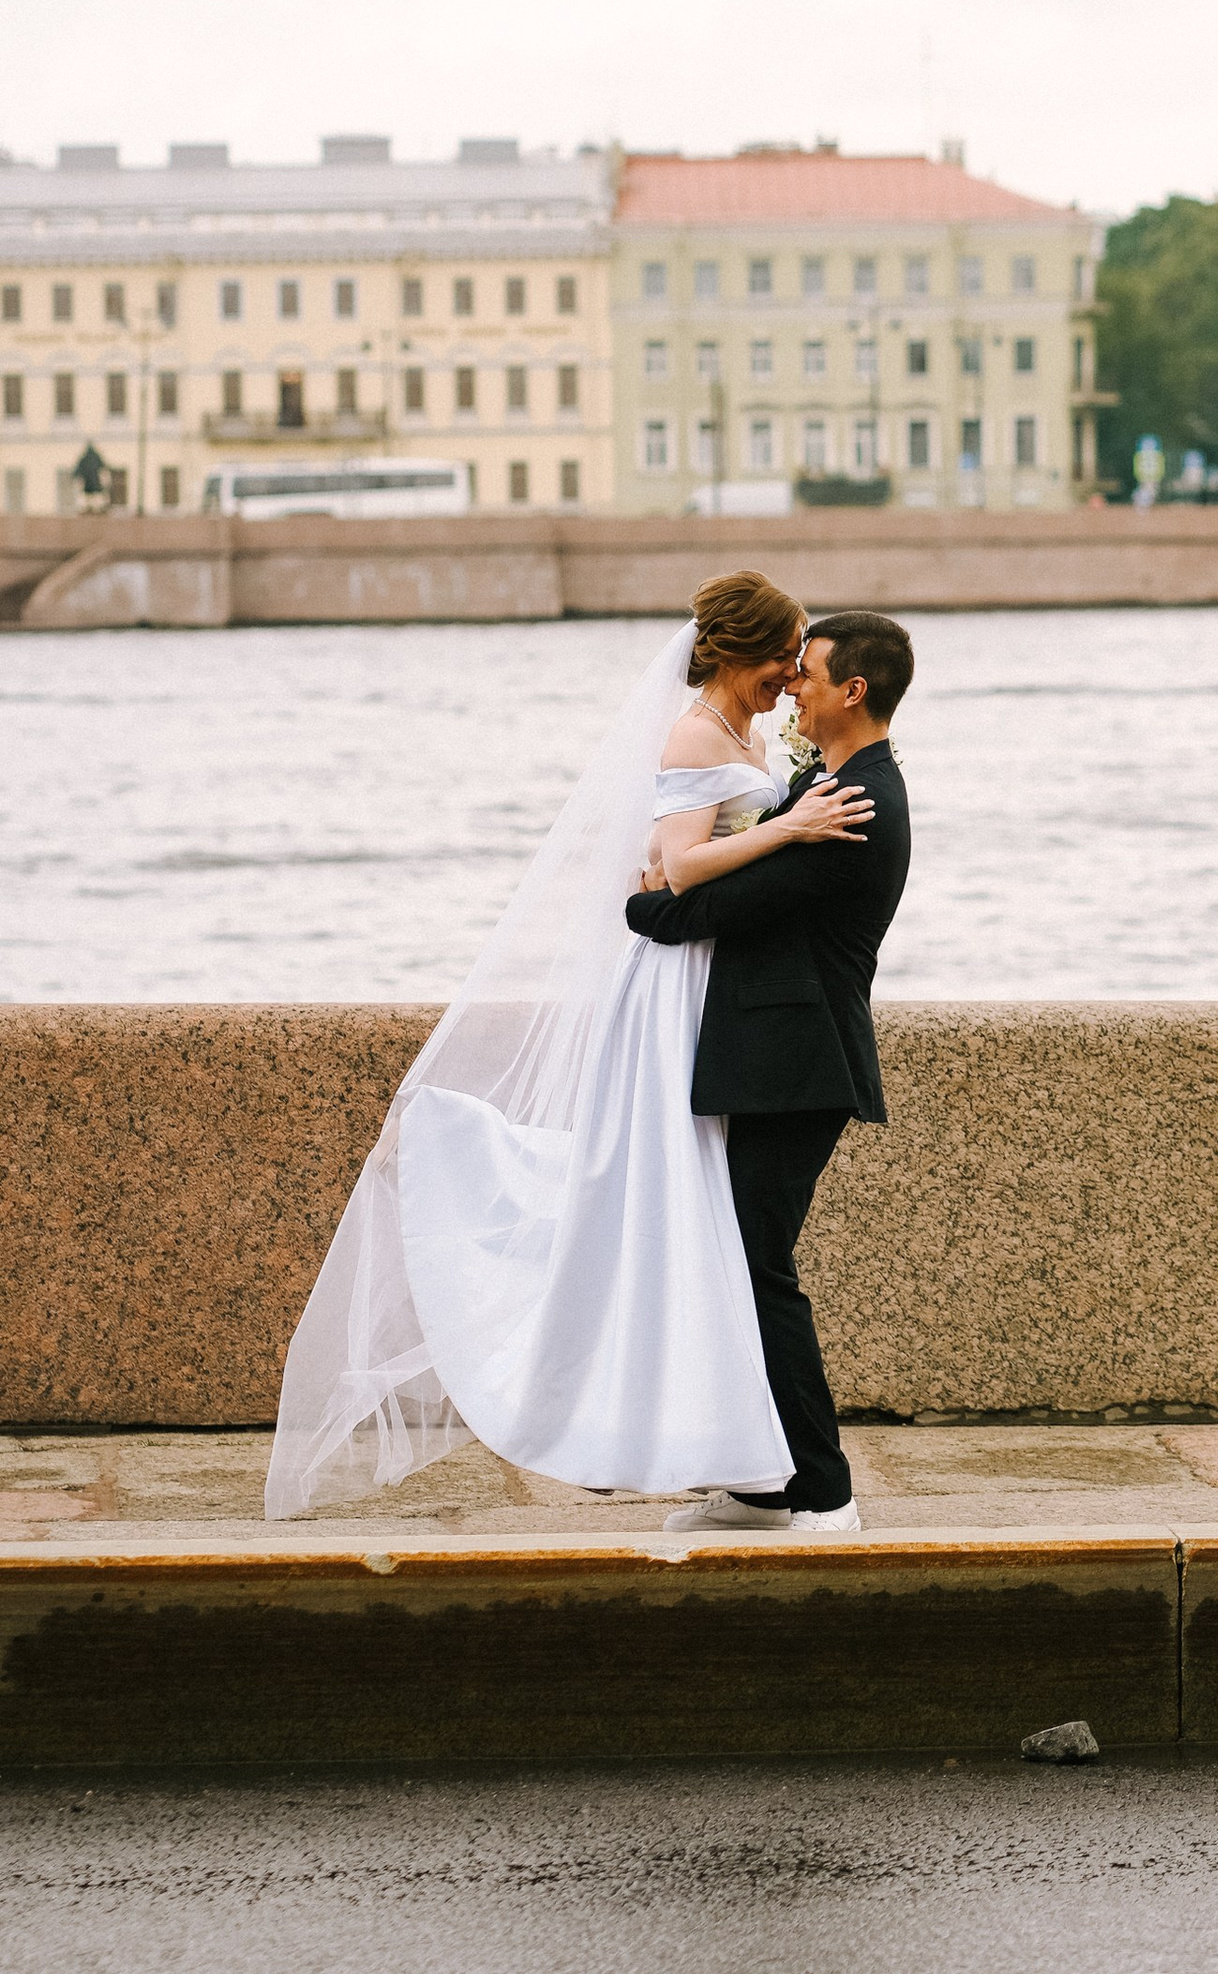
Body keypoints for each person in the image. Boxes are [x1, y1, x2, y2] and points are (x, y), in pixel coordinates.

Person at [263, 572, 872, 1525]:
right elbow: (677, 867)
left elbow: (684, 859)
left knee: (710, 1230)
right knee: (682, 1208)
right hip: (675, 991)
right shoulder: (694, 734)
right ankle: (746, 1464)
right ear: (740, 655)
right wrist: (791, 825)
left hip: (717, 984)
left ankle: (752, 1469)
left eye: (803, 662)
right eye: (785, 657)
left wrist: (773, 824)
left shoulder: (750, 736)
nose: (793, 677)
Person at [623, 607, 914, 1533]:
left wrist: (644, 906)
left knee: (758, 1266)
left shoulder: (857, 802)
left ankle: (822, 1492)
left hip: (801, 1061)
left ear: (852, 691)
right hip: (775, 1057)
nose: (796, 683)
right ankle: (762, 1483)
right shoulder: (823, 784)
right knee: (740, 1261)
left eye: (811, 672)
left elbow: (712, 907)